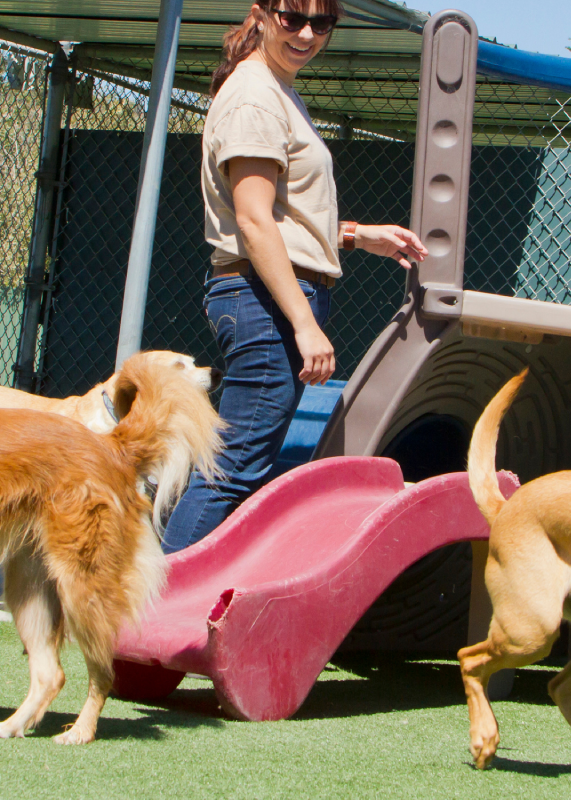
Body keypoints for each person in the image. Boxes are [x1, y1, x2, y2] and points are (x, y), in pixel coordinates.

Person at [161, 0, 428, 553]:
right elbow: (254, 221)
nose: (307, 33)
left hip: (269, 295)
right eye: (292, 18)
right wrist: (304, 323)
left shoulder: (276, 87)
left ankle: (177, 605)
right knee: (233, 467)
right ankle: (151, 619)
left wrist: (354, 234)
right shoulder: (256, 93)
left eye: (322, 22)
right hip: (265, 301)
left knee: (241, 464)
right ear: (261, 14)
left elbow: (280, 216)